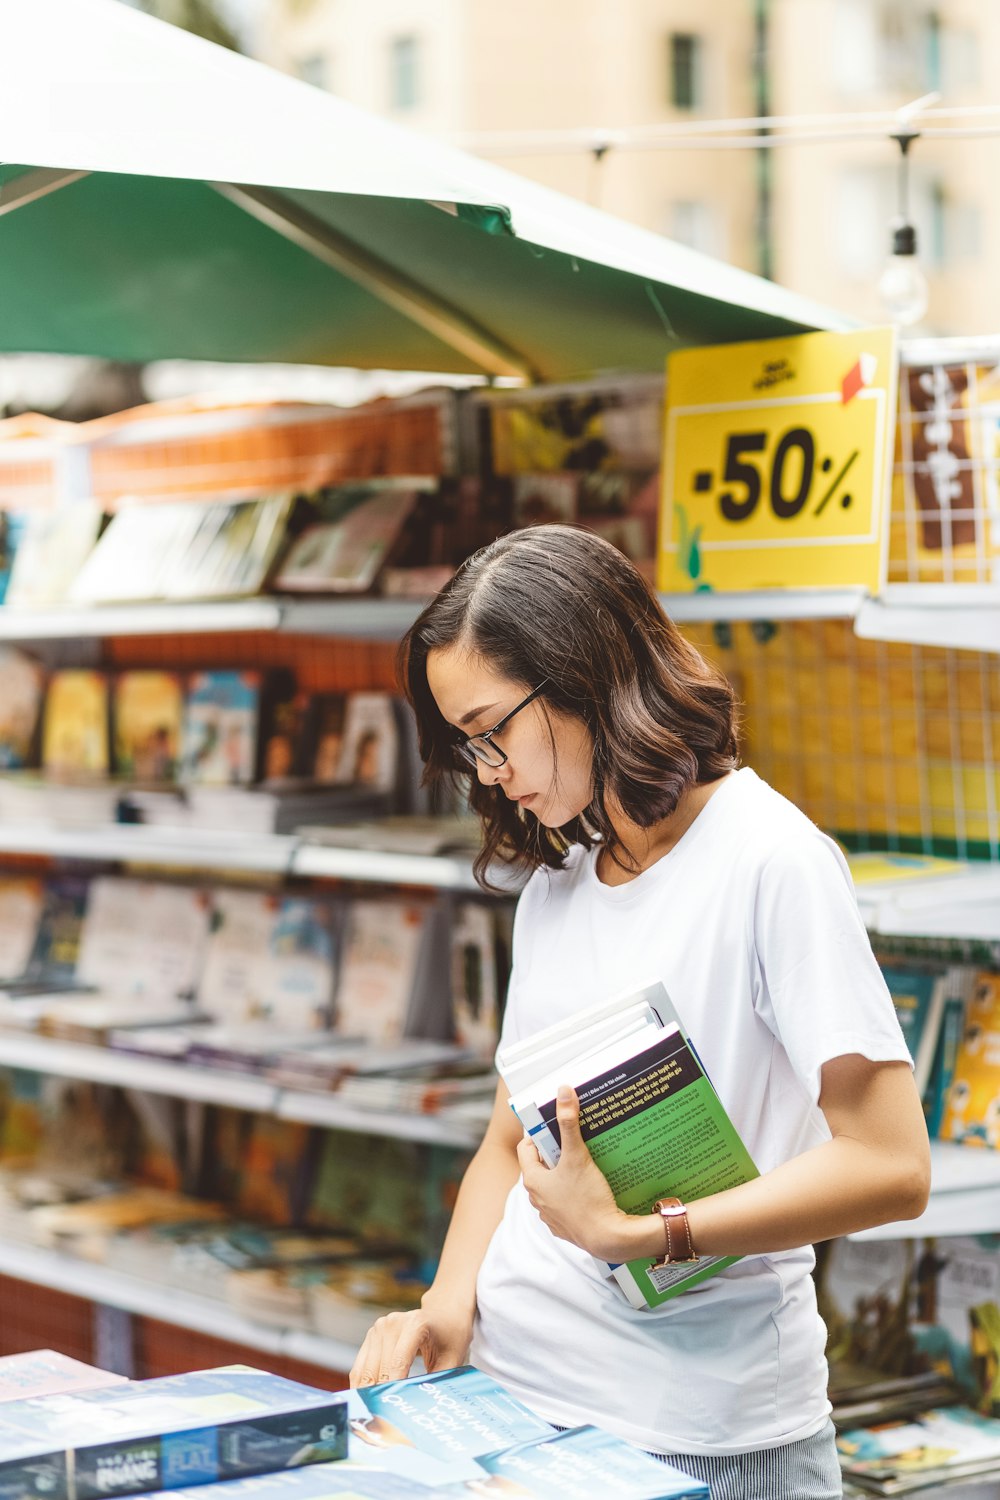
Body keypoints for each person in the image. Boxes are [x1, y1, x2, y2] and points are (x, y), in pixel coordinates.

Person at [350, 525, 931, 1498]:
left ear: (581, 675)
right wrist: (445, 1306)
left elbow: (890, 1164)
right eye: (467, 747)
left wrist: (646, 1231)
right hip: (512, 1402)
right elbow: (509, 1143)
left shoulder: (770, 861)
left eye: (493, 729)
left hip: (696, 1428)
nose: (488, 771)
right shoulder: (558, 887)